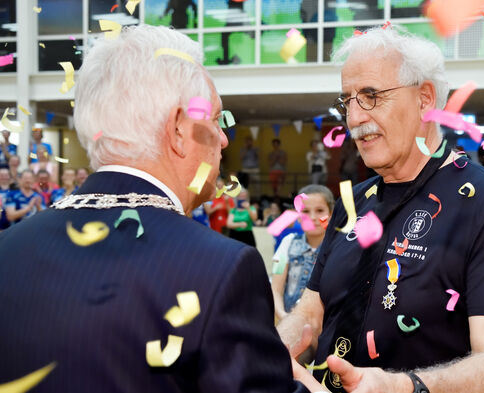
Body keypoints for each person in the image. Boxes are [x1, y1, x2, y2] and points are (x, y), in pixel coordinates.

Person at [0, 25, 313, 393]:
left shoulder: (9, 249)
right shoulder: (221, 270)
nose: (225, 138)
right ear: (180, 130)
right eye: (216, 120)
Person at [278, 25, 484, 393]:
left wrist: (401, 387)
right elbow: (310, 312)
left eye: (370, 96)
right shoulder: (353, 201)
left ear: (425, 99)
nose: (354, 118)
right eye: (347, 100)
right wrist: (271, 349)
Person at [271, 185, 334, 321]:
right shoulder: (287, 243)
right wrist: (284, 317)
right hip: (289, 323)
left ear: (331, 214)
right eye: (305, 211)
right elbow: (275, 288)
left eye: (319, 210)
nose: (312, 217)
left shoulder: (338, 248)